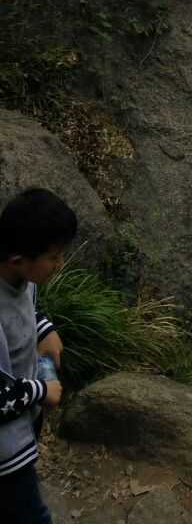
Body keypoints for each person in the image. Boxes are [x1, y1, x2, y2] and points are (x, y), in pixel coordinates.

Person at [0, 188, 77, 524]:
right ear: (19, 260)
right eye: (55, 256)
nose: (60, 263)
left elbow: (23, 309)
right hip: (5, 451)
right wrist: (41, 391)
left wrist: (43, 328)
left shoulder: (17, 272)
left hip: (19, 428)